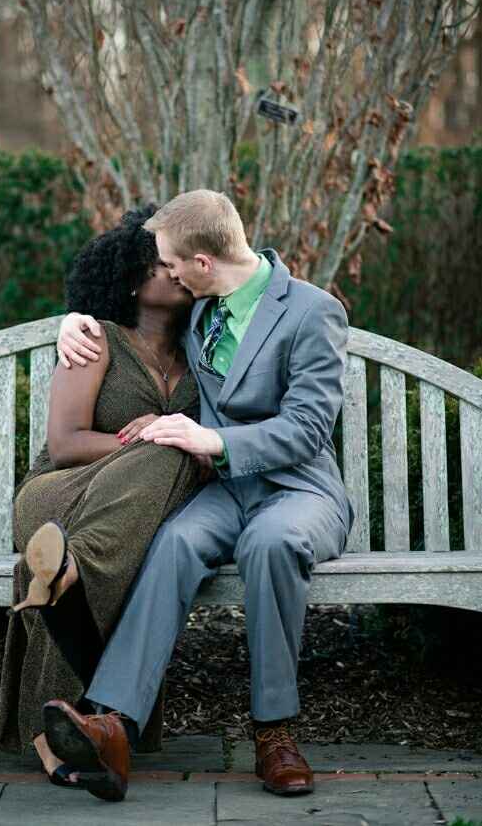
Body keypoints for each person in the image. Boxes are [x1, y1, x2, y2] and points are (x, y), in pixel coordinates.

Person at [50, 189, 355, 803]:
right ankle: (114, 723)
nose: (163, 272)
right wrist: (72, 320)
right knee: (175, 540)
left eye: (169, 262)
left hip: (300, 490)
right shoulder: (198, 309)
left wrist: (210, 437)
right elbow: (122, 302)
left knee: (271, 542)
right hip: (227, 491)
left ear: (203, 263)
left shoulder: (312, 312)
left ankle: (275, 732)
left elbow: (308, 428)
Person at [0, 205, 203, 788]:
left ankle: (65, 579)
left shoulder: (205, 355)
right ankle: (70, 567)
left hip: (128, 515)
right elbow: (63, 445)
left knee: (172, 448)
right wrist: (141, 441)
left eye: (186, 262)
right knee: (169, 447)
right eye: (166, 265)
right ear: (134, 279)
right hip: (58, 500)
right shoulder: (95, 338)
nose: (181, 272)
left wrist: (169, 439)